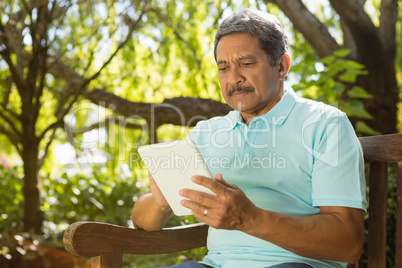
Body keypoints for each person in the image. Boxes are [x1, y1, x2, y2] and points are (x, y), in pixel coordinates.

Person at [132, 9, 366, 268]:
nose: (233, 78)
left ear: (281, 66)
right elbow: (141, 220)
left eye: (246, 63)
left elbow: (349, 243)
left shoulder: (325, 124)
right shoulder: (206, 134)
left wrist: (248, 218)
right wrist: (161, 202)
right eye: (223, 67)